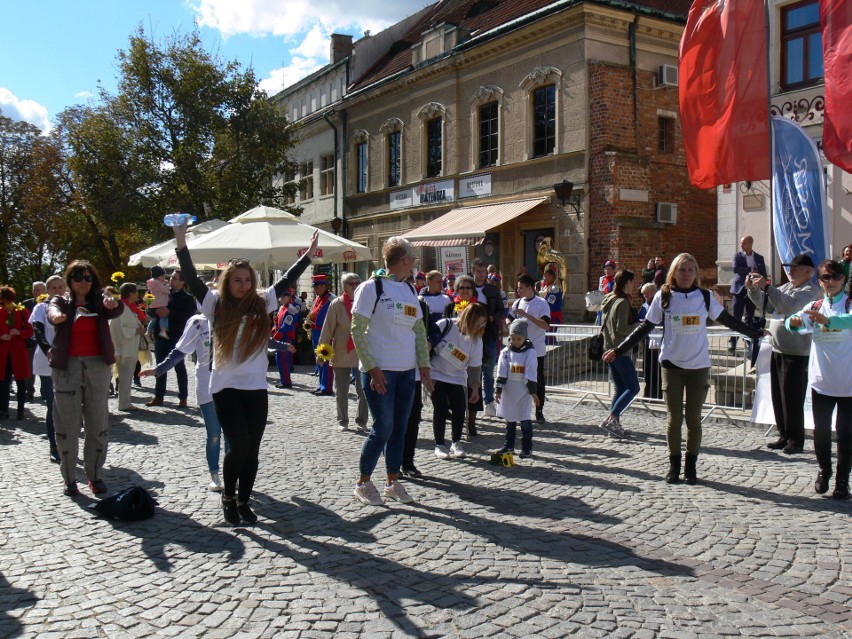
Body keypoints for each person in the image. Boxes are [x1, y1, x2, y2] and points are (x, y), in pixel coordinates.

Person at [173, 221, 317, 525]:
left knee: (252, 450)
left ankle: (243, 500)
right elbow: (190, 277)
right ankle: (228, 497)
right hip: (225, 386)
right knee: (237, 445)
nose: (242, 284)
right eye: (237, 280)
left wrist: (308, 256)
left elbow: (289, 280)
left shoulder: (261, 303)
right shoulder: (215, 304)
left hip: (255, 387)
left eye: (247, 280)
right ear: (228, 281)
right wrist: (181, 241)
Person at [604, 253, 764, 485]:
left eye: (691, 270)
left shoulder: (705, 297)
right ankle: (674, 466)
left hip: (699, 366)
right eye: (682, 270)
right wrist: (618, 349)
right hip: (671, 365)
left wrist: (756, 333)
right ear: (674, 273)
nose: (686, 274)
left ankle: (691, 466)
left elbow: (729, 321)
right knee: (673, 419)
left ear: (696, 274)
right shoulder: (664, 296)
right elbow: (645, 328)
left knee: (694, 420)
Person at [351, 236, 432, 506]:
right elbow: (357, 330)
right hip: (381, 371)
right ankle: (363, 481)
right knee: (383, 427)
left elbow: (419, 332)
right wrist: (372, 368)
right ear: (405, 260)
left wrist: (424, 367)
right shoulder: (370, 287)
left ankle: (392, 481)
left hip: (406, 372)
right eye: (413, 259)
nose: (414, 264)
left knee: (400, 428)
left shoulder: (409, 290)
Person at [48, 261, 123, 496]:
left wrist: (114, 302)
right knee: (67, 425)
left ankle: (95, 475)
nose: (83, 281)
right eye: (78, 277)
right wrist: (58, 316)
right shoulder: (61, 301)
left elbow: (115, 309)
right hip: (67, 367)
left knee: (97, 424)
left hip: (97, 366)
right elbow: (52, 312)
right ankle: (70, 479)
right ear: (70, 280)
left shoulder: (100, 301)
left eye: (88, 277)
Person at [140, 309, 230, 492]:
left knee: (231, 436)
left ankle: (232, 475)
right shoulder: (198, 323)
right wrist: (159, 369)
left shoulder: (233, 319)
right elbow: (179, 351)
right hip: (207, 384)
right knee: (214, 434)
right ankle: (214, 475)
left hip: (231, 386)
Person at [786, 259, 852, 500]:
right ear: (820, 281)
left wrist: (829, 321)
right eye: (825, 277)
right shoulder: (815, 305)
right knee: (821, 433)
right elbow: (795, 322)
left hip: (848, 383)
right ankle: (825, 471)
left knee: (845, 436)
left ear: (843, 279)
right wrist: (792, 324)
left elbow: (850, 321)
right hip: (821, 382)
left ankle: (843, 481)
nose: (831, 282)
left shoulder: (849, 304)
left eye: (835, 277)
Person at [746, 253, 821, 454]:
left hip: (798, 352)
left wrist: (768, 287)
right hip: (778, 348)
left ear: (808, 272)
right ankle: (784, 435)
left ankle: (796, 440)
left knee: (793, 397)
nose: (790, 271)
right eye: (789, 267)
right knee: (779, 396)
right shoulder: (787, 287)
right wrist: (753, 289)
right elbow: (769, 305)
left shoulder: (811, 290)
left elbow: (790, 306)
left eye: (795, 268)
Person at [431, 303, 486, 460]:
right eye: (477, 323)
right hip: (437, 373)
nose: (479, 327)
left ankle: (456, 442)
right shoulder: (445, 325)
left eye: (483, 323)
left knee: (459, 409)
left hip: (458, 376)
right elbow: (426, 344)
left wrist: (475, 388)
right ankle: (440, 444)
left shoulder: (477, 340)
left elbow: (475, 367)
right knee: (440, 408)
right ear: (468, 318)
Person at [318, 272, 368, 431]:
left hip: (362, 352)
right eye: (351, 283)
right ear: (344, 287)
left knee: (364, 391)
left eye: (357, 283)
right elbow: (327, 330)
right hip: (341, 351)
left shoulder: (366, 302)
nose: (354, 286)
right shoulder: (336, 304)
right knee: (341, 390)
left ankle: (362, 421)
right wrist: (322, 353)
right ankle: (342, 420)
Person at [599, 269, 640, 437]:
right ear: (627, 283)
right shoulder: (622, 302)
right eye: (632, 282)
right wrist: (638, 326)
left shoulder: (610, 299)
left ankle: (613, 425)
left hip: (608, 347)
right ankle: (611, 418)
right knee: (633, 387)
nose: (633, 286)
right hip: (619, 350)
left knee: (620, 387)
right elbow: (622, 329)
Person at [30, 275, 66, 462]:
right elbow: (38, 331)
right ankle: (54, 445)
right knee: (53, 405)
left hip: (69, 361)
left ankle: (68, 443)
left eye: (61, 287)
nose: (58, 291)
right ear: (47, 290)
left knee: (69, 406)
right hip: (47, 361)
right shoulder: (41, 308)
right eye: (53, 288)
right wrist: (48, 350)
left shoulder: (72, 306)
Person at [147, 270, 196, 407]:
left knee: (179, 367)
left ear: (182, 282)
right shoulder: (162, 293)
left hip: (177, 336)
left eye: (174, 278)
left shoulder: (187, 298)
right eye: (171, 277)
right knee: (160, 365)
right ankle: (159, 396)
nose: (171, 280)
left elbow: (189, 317)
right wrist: (152, 305)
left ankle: (183, 397)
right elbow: (150, 311)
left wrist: (170, 313)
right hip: (161, 335)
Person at [507, 274, 551, 423]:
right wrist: (509, 324)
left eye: (521, 288)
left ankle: (539, 411)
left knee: (537, 380)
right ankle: (520, 410)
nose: (518, 290)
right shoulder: (517, 302)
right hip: (519, 349)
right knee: (517, 379)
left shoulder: (541, 303)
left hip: (536, 349)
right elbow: (510, 317)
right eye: (518, 288)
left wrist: (526, 315)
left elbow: (545, 325)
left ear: (530, 288)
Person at [494, 319, 540, 458]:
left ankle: (527, 447)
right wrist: (498, 389)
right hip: (509, 389)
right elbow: (501, 371)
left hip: (523, 389)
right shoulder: (506, 352)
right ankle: (509, 445)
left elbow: (530, 372)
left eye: (519, 339)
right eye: (513, 338)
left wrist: (533, 392)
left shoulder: (530, 352)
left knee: (524, 419)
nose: (515, 341)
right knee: (510, 419)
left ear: (525, 337)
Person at [471, 258, 503, 419]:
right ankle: (470, 404)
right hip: (470, 335)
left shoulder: (492, 290)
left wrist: (491, 318)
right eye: (478, 271)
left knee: (488, 370)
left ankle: (489, 402)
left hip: (489, 333)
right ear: (473, 271)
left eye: (483, 271)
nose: (480, 274)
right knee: (470, 370)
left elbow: (501, 310)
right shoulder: (467, 288)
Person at [109, 282, 147, 412]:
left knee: (126, 377)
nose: (138, 294)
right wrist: (137, 331)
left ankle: (124, 402)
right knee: (122, 376)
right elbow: (118, 328)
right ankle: (123, 403)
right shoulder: (121, 307)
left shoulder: (128, 307)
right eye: (136, 292)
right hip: (122, 348)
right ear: (131, 293)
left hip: (128, 347)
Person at [729, 235, 767, 353]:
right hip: (739, 289)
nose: (741, 245)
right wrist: (751, 270)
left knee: (749, 317)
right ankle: (733, 342)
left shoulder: (759, 258)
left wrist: (759, 280)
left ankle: (748, 341)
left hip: (752, 290)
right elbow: (736, 269)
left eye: (743, 243)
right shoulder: (737, 256)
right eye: (741, 243)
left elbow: (763, 273)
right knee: (736, 317)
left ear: (750, 243)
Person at [0, 286, 33, 420]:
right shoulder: (0, 312)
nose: (5, 305)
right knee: (3, 382)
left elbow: (31, 331)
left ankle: (20, 410)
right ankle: (4, 410)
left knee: (21, 382)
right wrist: (1, 336)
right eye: (2, 302)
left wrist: (19, 332)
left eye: (7, 301)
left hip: (18, 351)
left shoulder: (22, 312)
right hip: (3, 352)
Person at [306, 274, 335, 396]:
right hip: (316, 332)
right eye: (314, 287)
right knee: (319, 359)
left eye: (317, 287)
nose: (315, 289)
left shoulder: (330, 299)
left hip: (325, 332)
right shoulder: (318, 298)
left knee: (326, 359)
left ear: (324, 286)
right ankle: (321, 384)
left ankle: (327, 387)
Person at [21, 281, 45, 402]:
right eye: (35, 289)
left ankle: (45, 391)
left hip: (44, 340)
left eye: (40, 289)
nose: (37, 292)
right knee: (29, 369)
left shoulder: (49, 303)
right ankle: (29, 391)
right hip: (30, 341)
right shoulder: (25, 305)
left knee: (44, 366)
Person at [271, 290, 300, 389]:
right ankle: (284, 380)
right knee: (280, 359)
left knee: (282, 359)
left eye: (285, 296)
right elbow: (278, 322)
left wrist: (276, 336)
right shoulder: (281, 308)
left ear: (289, 297)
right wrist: (274, 329)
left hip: (286, 337)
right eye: (282, 296)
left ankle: (286, 381)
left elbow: (286, 325)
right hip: (281, 336)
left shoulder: (290, 309)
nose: (283, 298)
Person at [638, 283, 662, 399]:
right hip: (647, 342)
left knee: (657, 370)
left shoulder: (660, 304)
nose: (645, 296)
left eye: (647, 294)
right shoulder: (644, 306)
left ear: (654, 292)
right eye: (644, 294)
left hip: (658, 342)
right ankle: (648, 393)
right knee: (647, 369)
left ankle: (657, 393)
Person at [146, 266, 171, 339]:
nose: (164, 277)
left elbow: (147, 298)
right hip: (160, 304)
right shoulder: (158, 284)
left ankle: (148, 331)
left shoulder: (152, 283)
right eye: (162, 275)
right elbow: (167, 291)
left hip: (153, 305)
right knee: (164, 317)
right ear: (158, 276)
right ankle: (163, 331)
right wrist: (167, 285)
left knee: (155, 319)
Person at [596, 260, 616, 325]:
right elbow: (600, 290)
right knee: (600, 322)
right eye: (605, 269)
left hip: (611, 304)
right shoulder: (602, 279)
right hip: (602, 303)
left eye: (609, 269)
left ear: (613, 270)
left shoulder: (615, 280)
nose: (607, 271)